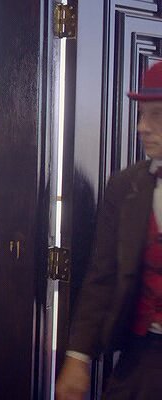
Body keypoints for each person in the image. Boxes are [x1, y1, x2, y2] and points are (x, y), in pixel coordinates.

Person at [56, 62, 162, 399]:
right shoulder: (125, 186)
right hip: (143, 355)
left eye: (157, 115)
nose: (142, 127)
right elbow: (101, 277)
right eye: (141, 115)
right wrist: (77, 357)